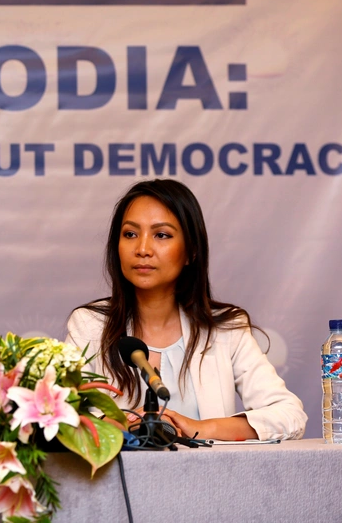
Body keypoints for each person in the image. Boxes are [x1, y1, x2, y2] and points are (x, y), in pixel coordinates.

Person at [65, 179, 306, 441]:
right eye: (130, 234)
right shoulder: (89, 325)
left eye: (162, 235)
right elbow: (59, 419)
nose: (143, 249)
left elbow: (290, 415)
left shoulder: (226, 329)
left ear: (191, 251)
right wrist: (116, 423)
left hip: (209, 481)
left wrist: (199, 427)